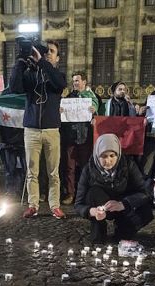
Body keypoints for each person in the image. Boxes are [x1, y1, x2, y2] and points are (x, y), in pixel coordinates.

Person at [9, 39, 67, 219]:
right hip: (31, 130)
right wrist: (20, 61)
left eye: (51, 51)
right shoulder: (30, 74)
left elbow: (59, 85)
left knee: (53, 172)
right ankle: (33, 205)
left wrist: (41, 61)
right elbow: (14, 87)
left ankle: (54, 205)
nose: (47, 53)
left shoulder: (59, 75)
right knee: (32, 171)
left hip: (51, 130)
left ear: (57, 58)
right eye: (45, 51)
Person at [74, 134, 152, 244]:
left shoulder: (128, 165)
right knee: (93, 192)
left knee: (145, 209)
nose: (108, 160)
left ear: (118, 154)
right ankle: (99, 232)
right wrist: (92, 211)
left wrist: (123, 204)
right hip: (102, 205)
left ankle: (122, 229)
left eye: (112, 155)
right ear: (97, 155)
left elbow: (145, 192)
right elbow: (78, 204)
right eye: (104, 156)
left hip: (122, 206)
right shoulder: (88, 169)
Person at [61, 71, 99, 205]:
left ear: (84, 82)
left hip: (84, 136)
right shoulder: (69, 97)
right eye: (74, 81)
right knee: (69, 167)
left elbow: (96, 108)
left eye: (77, 80)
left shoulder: (91, 96)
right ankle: (70, 193)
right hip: (71, 136)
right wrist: (62, 110)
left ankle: (84, 194)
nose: (75, 83)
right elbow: (63, 113)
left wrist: (93, 109)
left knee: (84, 166)